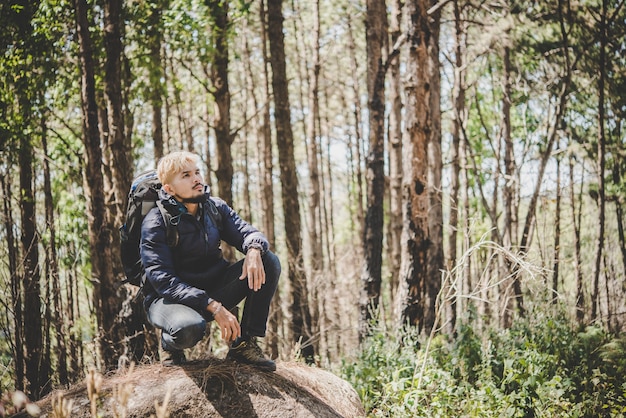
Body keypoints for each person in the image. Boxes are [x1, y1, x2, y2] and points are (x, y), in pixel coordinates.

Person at [140, 150, 280, 371]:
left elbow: (247, 232)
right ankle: (169, 344)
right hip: (168, 300)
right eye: (185, 175)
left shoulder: (214, 208)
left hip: (212, 289)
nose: (196, 179)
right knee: (190, 328)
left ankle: (245, 344)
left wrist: (253, 249)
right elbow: (163, 281)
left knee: (268, 260)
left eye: (197, 172)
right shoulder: (156, 222)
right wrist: (212, 306)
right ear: (169, 189)